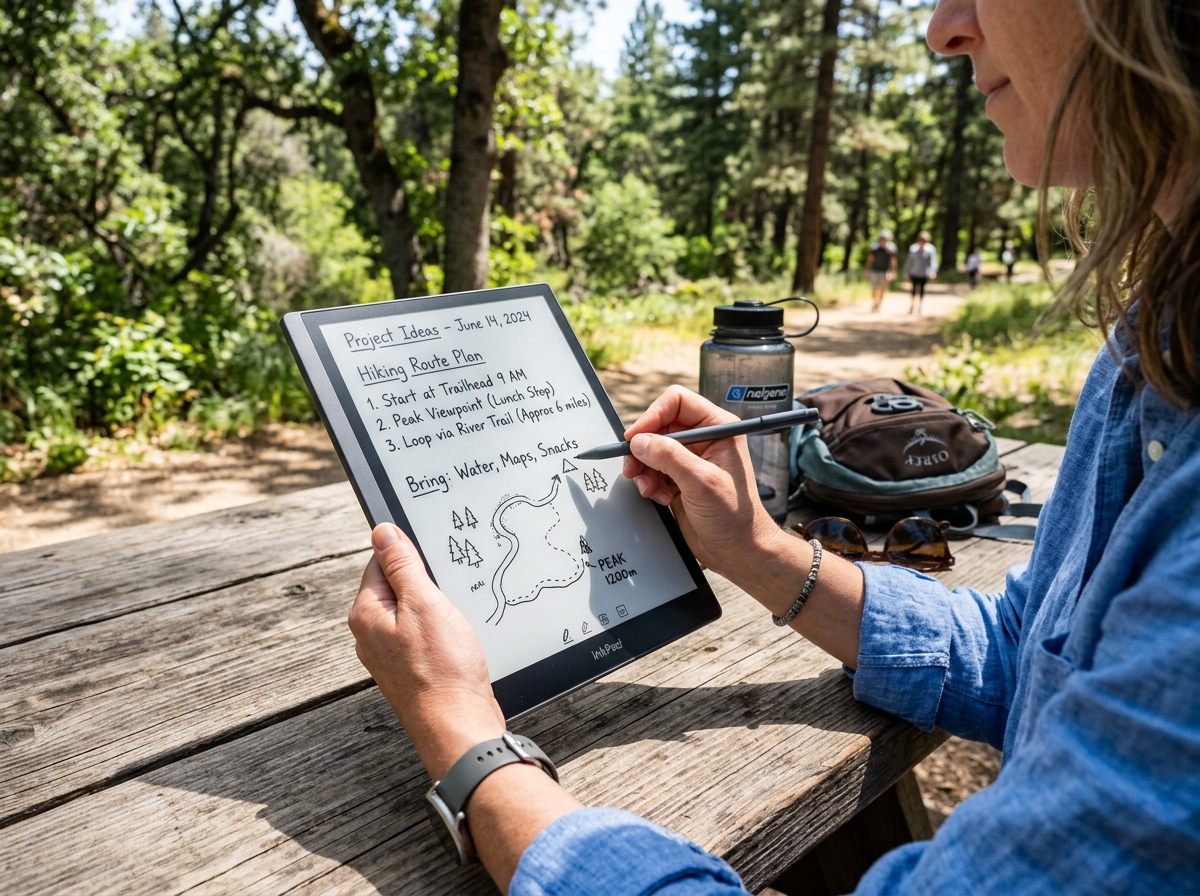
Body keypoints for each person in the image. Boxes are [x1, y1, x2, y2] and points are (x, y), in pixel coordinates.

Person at [348, 0, 1200, 893]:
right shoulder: (1150, 345)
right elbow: (1035, 651)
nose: (944, 27)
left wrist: (470, 749)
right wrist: (758, 549)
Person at [904, 231, 938, 314]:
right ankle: (912, 305)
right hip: (914, 273)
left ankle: (920, 306)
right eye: (920, 240)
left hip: (924, 274)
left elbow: (933, 262)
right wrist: (906, 271)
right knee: (913, 290)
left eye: (924, 240)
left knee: (922, 290)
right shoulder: (913, 248)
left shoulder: (930, 249)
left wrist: (933, 271)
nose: (922, 242)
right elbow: (909, 261)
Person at [865, 228, 898, 311]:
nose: (883, 241)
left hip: (885, 271)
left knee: (883, 288)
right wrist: (867, 270)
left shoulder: (891, 249)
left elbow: (893, 261)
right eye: (882, 239)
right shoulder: (875, 248)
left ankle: (879, 304)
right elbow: (870, 259)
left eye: (885, 239)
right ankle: (874, 302)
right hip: (875, 270)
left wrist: (893, 272)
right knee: (874, 287)